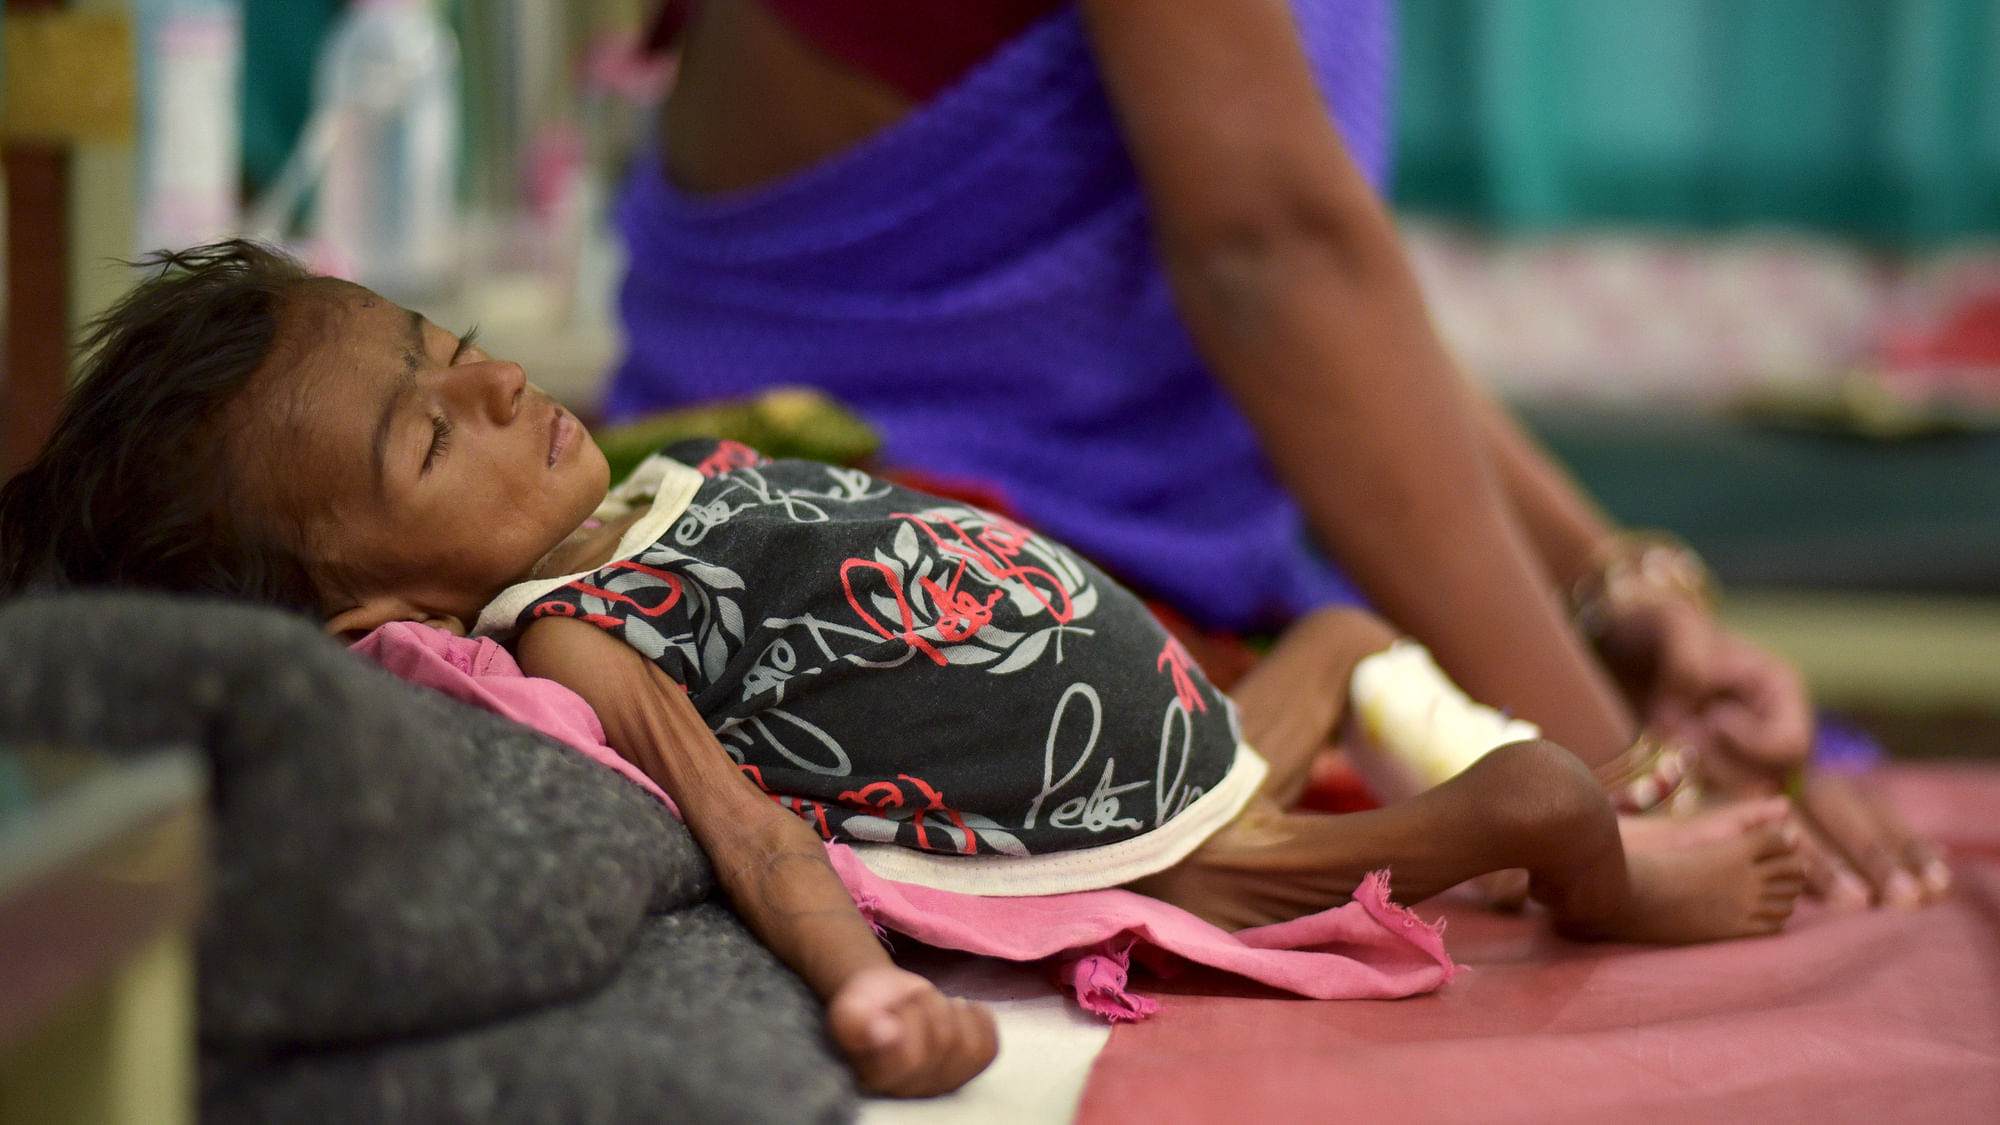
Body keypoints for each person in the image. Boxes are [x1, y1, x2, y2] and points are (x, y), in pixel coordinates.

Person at [0, 243, 1807, 1097]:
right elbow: (754, 832)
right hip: (1145, 835)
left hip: (1170, 715)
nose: (488, 387)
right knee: (1540, 795)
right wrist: (865, 995)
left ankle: (1495, 777)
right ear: (356, 621)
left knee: (1338, 629)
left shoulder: (632, 496)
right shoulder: (573, 636)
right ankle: (1615, 875)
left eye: (447, 345)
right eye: (423, 442)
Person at [610, 0, 1948, 908]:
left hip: (1118, 540)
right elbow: (1276, 265)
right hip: (878, 545)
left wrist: (1620, 590)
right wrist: (1623, 782)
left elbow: (1313, 272)